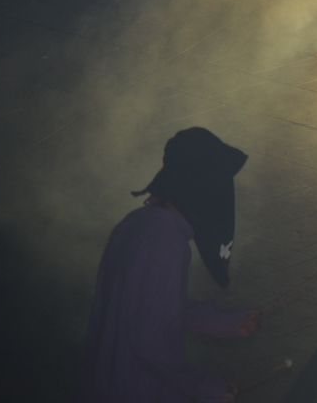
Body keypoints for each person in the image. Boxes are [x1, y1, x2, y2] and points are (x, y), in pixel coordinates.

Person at [80, 128, 257, 403]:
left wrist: (226, 323)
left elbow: (159, 308)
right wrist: (206, 388)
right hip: (137, 390)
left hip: (107, 383)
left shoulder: (136, 223)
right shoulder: (166, 244)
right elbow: (151, 342)